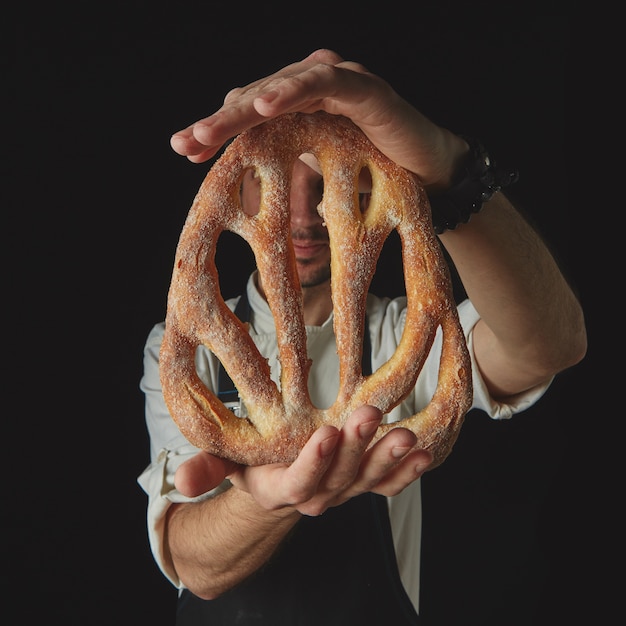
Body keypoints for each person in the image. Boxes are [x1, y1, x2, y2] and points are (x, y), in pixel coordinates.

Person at [138, 49, 587, 624]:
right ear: (241, 191)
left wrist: (450, 170)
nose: (302, 216)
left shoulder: (405, 336)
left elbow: (550, 345)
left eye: (326, 184)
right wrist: (267, 501)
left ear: (368, 191)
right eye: (273, 181)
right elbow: (191, 562)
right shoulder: (190, 345)